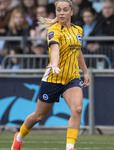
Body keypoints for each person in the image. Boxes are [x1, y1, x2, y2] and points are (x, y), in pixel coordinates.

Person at [11, 1, 91, 150]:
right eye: (58, 10)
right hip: (53, 78)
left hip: (71, 78)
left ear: (71, 12)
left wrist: (85, 71)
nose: (61, 13)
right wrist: (54, 64)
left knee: (77, 109)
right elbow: (55, 50)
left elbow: (78, 51)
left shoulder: (78, 30)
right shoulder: (54, 30)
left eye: (65, 10)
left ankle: (70, 147)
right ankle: (19, 137)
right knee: (38, 116)